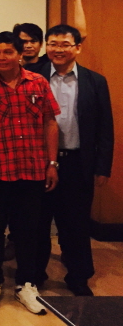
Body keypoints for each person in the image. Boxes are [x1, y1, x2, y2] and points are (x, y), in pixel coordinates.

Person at [0, 31, 60, 315]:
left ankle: (26, 284)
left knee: (28, 230)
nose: (1, 57)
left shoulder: (38, 82)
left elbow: (50, 123)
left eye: (8, 52)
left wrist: (52, 163)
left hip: (31, 168)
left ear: (20, 54)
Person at [33, 25, 114, 296]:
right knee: (38, 221)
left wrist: (102, 167)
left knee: (76, 223)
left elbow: (105, 127)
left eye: (65, 44)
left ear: (78, 48)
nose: (58, 49)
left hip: (78, 162)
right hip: (39, 161)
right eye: (53, 43)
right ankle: (35, 274)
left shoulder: (95, 81)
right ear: (46, 46)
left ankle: (78, 277)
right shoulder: (33, 76)